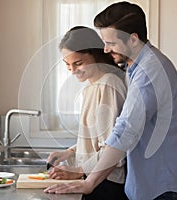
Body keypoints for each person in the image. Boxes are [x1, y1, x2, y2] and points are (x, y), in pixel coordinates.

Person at [44, 2, 177, 200]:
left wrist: (89, 181)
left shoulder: (149, 71)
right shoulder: (134, 68)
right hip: (149, 185)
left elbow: (125, 130)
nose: (105, 50)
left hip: (163, 188)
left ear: (133, 39)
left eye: (111, 43)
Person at [46, 26, 128, 200]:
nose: (73, 71)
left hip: (106, 183)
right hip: (96, 179)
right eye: (68, 65)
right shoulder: (91, 86)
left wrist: (78, 171)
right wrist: (69, 152)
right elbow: (95, 140)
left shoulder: (108, 85)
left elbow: (113, 148)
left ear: (96, 54)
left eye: (78, 63)